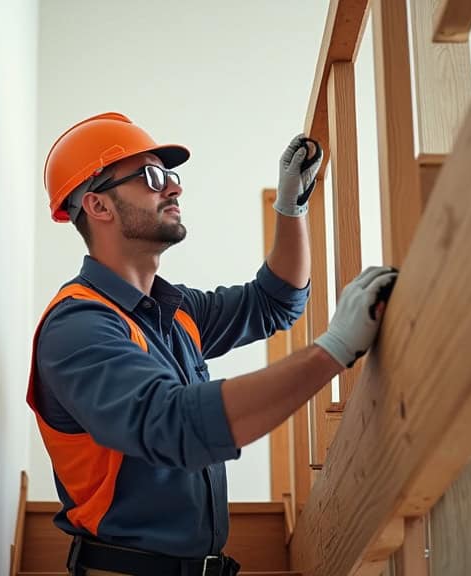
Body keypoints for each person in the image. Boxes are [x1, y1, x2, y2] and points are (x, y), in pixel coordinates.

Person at [27, 112, 398, 576]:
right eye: (152, 176)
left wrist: (290, 207)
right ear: (99, 207)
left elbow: (274, 302)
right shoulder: (78, 326)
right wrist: (334, 350)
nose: (175, 188)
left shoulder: (173, 311)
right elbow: (174, 424)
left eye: (172, 176)